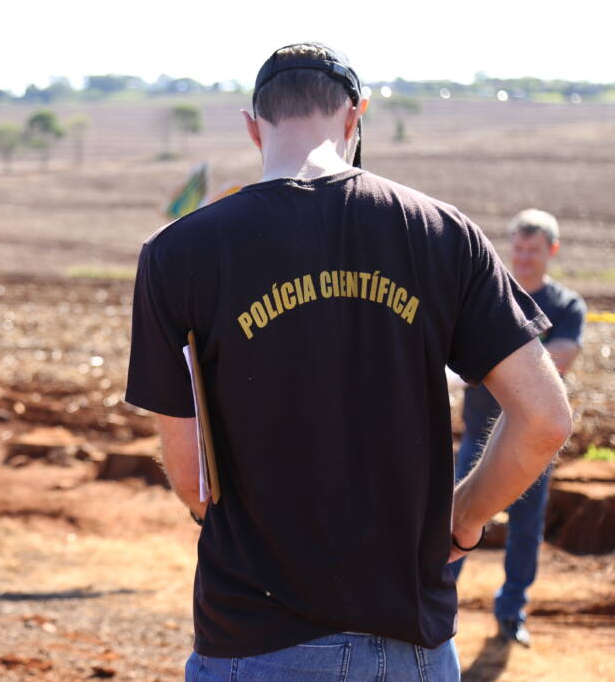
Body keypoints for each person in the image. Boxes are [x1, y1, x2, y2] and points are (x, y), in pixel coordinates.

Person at [125, 42, 572, 681]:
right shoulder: (442, 233)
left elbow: (196, 480)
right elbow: (546, 419)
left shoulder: (177, 253)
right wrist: (464, 517)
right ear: (355, 116)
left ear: (252, 126)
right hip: (413, 643)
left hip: (255, 640)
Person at [450, 209, 586, 647]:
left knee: (526, 528)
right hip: (478, 436)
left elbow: (560, 358)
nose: (524, 258)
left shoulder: (565, 306)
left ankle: (512, 610)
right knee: (454, 516)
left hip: (530, 439)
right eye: (519, 249)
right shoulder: (490, 295)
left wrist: (484, 363)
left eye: (534, 250)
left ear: (552, 251)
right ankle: (436, 600)